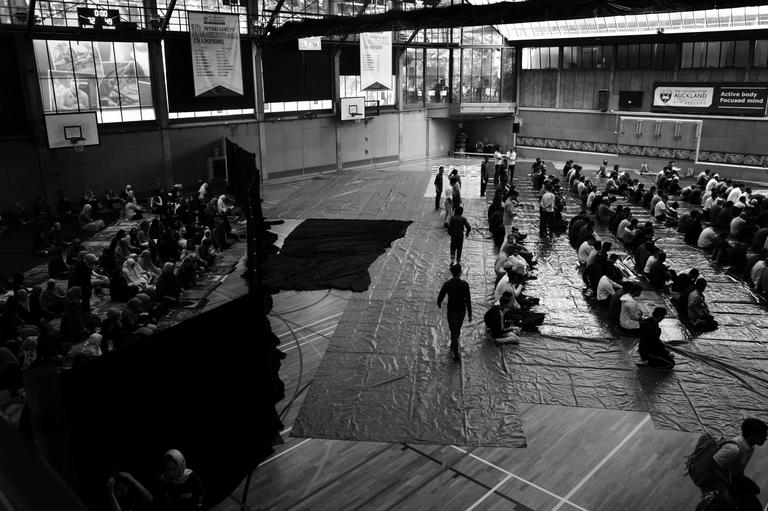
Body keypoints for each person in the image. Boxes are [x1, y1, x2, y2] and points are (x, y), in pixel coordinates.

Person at [698, 418, 768, 496]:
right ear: (751, 435)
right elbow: (711, 466)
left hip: (727, 481)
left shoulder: (750, 448)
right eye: (763, 435)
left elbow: (739, 468)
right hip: (714, 485)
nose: (765, 438)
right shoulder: (733, 449)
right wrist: (728, 484)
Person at [437, 264, 472, 362]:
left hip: (452, 310)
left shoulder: (447, 284)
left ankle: (454, 348)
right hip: (461, 310)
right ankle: (454, 347)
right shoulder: (465, 284)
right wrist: (470, 314)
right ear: (460, 272)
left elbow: (441, 296)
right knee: (457, 329)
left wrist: (439, 303)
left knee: (453, 329)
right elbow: (468, 300)